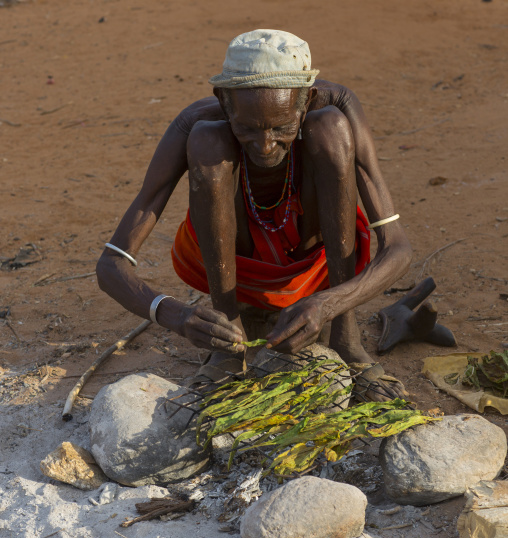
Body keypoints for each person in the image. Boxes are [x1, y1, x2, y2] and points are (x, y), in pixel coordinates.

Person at [96, 29, 412, 389]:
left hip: (312, 267)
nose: (265, 146)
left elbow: (397, 248)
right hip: (234, 264)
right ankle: (229, 336)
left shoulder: (334, 105)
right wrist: (175, 315)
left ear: (304, 100)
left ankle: (346, 337)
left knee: (331, 129)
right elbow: (111, 265)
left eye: (282, 128)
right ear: (225, 101)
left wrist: (328, 306)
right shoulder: (193, 124)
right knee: (207, 141)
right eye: (247, 129)